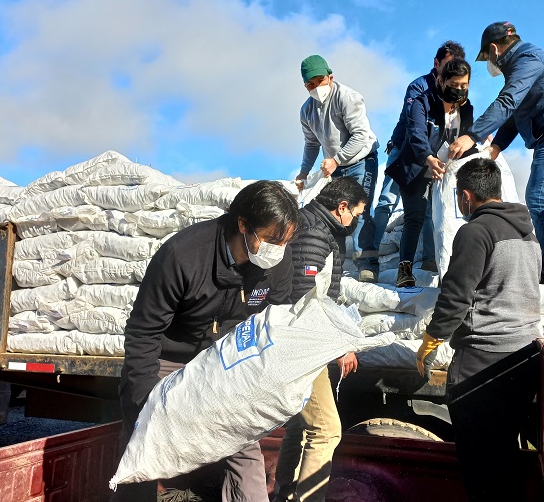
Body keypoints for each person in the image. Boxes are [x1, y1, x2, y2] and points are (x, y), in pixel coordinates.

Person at [116, 180, 301, 502]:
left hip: (226, 360)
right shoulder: (183, 256)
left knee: (244, 447)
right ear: (243, 224)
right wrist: (145, 403)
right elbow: (143, 333)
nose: (278, 249)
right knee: (142, 448)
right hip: (169, 358)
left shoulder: (278, 263)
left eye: (284, 241)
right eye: (271, 239)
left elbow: (274, 326)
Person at [415, 158, 542, 502]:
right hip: (525, 356)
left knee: (480, 462)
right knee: (504, 454)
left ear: (466, 196)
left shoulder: (475, 232)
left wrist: (432, 338)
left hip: (483, 361)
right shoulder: (528, 233)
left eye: (458, 196)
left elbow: (456, 294)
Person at [448, 21, 544, 285]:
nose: (490, 64)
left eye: (487, 58)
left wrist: (472, 135)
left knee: (539, 199)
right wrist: (497, 145)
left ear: (494, 49)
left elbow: (508, 102)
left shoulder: (528, 59)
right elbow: (516, 113)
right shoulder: (521, 66)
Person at [273, 177, 366, 502]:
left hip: (303, 342)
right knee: (326, 429)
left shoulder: (320, 228)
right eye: (356, 213)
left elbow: (324, 296)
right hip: (302, 345)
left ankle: (284, 494)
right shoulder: (313, 232)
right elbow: (303, 299)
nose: (356, 221)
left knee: (301, 427)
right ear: (341, 207)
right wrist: (338, 346)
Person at [368, 40, 466, 282]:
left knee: (432, 210)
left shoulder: (458, 95)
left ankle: (432, 261)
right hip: (405, 153)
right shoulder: (419, 89)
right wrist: (427, 156)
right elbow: (416, 130)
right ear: (437, 64)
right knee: (387, 203)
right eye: (447, 66)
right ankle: (370, 260)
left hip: (433, 156)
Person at [385, 58, 476, 288]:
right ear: (442, 80)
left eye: (464, 85)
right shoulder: (421, 103)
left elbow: (468, 138)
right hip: (416, 167)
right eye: (454, 84)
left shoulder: (465, 108)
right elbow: (415, 134)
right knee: (415, 216)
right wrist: (428, 158)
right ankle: (405, 268)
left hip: (446, 172)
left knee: (447, 217)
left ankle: (445, 265)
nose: (459, 90)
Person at [295, 55, 379, 281]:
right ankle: (337, 265)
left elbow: (360, 135)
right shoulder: (307, 111)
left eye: (319, 81)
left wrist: (337, 159)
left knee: (359, 211)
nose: (315, 87)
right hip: (336, 167)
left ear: (330, 77)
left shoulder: (347, 97)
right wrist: (303, 172)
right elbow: (312, 144)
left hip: (362, 161)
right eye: (310, 84)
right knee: (335, 214)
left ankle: (367, 265)